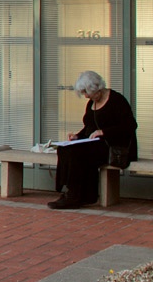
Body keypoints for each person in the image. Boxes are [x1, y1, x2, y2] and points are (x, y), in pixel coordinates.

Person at [51, 71, 138, 210]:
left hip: (114, 147)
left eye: (86, 92)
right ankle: (70, 191)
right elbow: (89, 127)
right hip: (97, 145)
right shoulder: (92, 103)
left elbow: (130, 125)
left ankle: (75, 196)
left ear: (95, 87)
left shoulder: (117, 100)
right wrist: (78, 136)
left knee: (78, 154)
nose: (85, 96)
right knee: (65, 149)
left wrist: (104, 132)